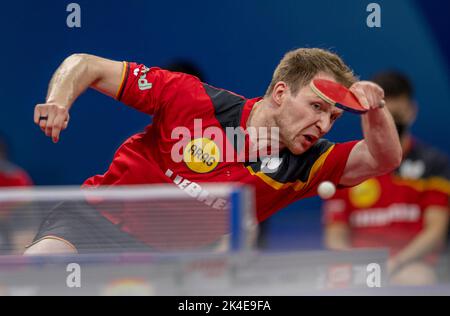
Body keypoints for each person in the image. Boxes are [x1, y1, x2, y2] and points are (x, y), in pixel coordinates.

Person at [26, 48, 402, 254]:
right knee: (40, 271)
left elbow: (383, 158)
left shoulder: (309, 164)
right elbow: (85, 64)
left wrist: (376, 110)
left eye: (334, 117)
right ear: (281, 93)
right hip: (92, 222)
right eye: (316, 107)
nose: (323, 125)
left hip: (170, 263)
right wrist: (58, 101)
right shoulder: (191, 97)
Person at [323, 71, 450, 286]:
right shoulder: (346, 164)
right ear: (366, 114)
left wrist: (394, 264)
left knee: (416, 278)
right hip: (359, 266)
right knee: (330, 282)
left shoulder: (435, 164)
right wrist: (355, 267)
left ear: (411, 112)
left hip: (409, 264)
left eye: (396, 118)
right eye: (383, 115)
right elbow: (335, 234)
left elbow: (435, 231)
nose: (389, 125)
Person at [0, 135, 33, 253]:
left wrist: (5, 211)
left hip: (16, 222)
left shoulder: (15, 176)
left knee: (25, 243)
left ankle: (21, 268)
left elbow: (27, 198)